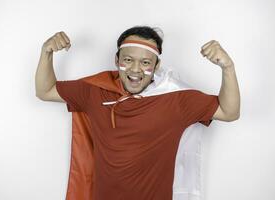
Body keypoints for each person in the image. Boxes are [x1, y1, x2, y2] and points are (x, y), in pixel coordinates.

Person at [35, 26, 240, 200]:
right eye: (128, 60)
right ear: (117, 60)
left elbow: (229, 112)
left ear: (156, 65)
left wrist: (228, 68)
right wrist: (46, 52)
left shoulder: (177, 98)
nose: (135, 70)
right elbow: (45, 91)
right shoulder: (95, 90)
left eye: (145, 62)